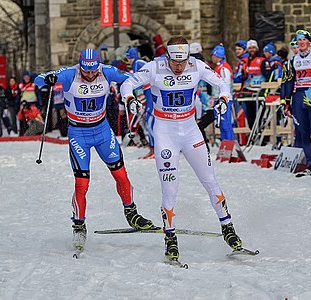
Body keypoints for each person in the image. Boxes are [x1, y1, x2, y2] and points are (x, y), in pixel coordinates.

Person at [120, 36, 244, 261]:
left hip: (190, 130)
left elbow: (222, 83)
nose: (178, 67)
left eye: (182, 62)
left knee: (209, 180)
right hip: (165, 132)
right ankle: (170, 238)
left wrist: (224, 99)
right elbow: (127, 83)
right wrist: (129, 99)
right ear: (167, 57)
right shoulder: (155, 67)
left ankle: (228, 228)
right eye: (174, 62)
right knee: (170, 188)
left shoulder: (196, 65)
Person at [34, 49, 155, 251]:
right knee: (82, 183)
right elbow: (39, 79)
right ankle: (79, 225)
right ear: (80, 66)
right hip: (78, 134)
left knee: (121, 175)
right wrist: (50, 78)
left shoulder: (106, 71)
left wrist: (150, 74)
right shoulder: (69, 73)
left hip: (102, 131)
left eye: (93, 71)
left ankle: (132, 214)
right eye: (86, 71)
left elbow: (133, 78)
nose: (90, 75)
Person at [281, 29, 311, 175]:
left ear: (309, 41)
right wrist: (286, 102)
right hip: (299, 96)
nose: (301, 43)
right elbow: (288, 82)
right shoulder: (293, 60)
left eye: (304, 40)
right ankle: (309, 162)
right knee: (303, 132)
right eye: (299, 40)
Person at [126, 47, 155, 158]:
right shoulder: (140, 62)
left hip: (150, 95)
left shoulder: (137, 63)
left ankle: (154, 150)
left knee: (150, 122)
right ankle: (152, 149)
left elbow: (138, 81)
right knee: (148, 122)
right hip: (149, 94)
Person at [211, 44, 235, 140]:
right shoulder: (218, 67)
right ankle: (225, 145)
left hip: (224, 100)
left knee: (226, 124)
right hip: (218, 99)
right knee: (221, 124)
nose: (212, 57)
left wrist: (224, 98)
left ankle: (230, 145)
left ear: (217, 56)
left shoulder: (224, 68)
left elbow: (226, 83)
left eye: (213, 55)